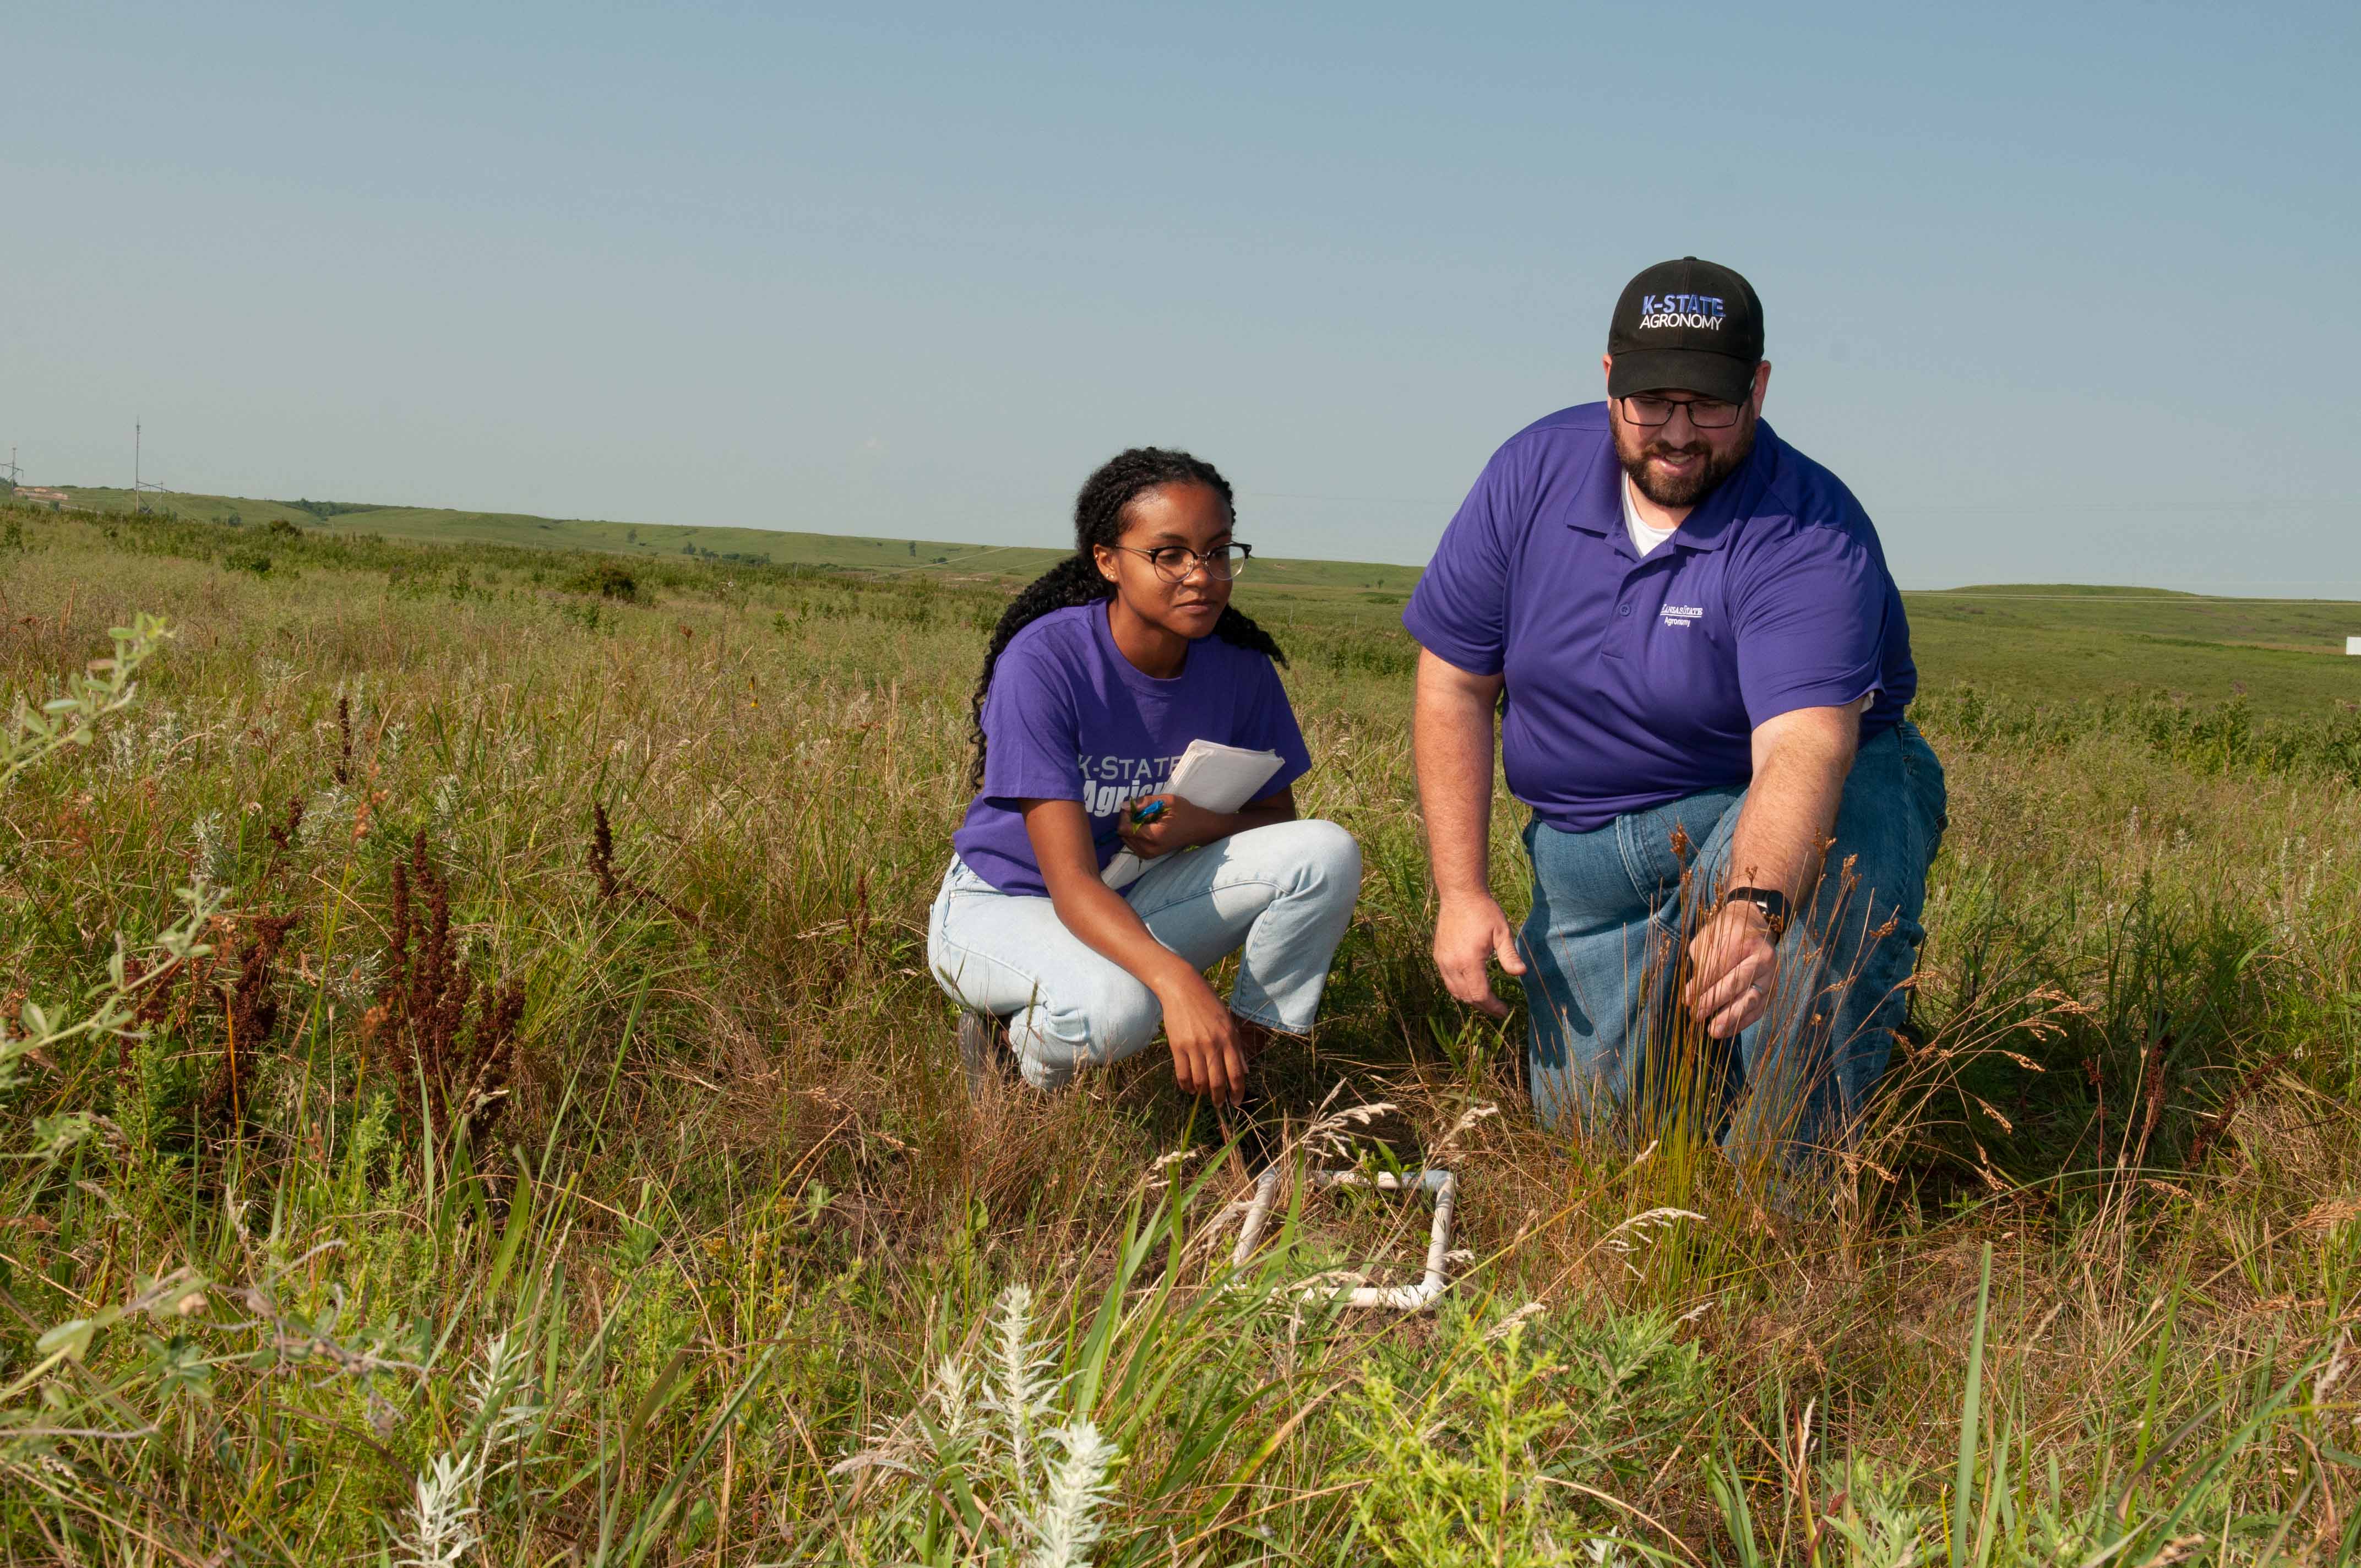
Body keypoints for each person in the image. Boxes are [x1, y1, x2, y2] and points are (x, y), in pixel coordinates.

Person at [1402, 257, 1946, 1186]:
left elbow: (1805, 742)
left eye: (1711, 405)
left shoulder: (1810, 529)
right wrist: (1460, 890)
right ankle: (1686, 1064)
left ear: (1759, 389)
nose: (1679, 434)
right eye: (1652, 401)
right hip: (1585, 855)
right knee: (1594, 1152)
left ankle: (1780, 1213)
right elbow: (1453, 683)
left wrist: (1750, 906)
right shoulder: (1530, 472)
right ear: (1607, 379)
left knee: (1822, 907)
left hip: (1758, 804)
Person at [928, 447, 1362, 1104]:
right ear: (1108, 560)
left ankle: (1238, 1071)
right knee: (1121, 1010)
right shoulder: (1047, 661)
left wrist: (1198, 824)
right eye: (1170, 555)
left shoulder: (1239, 669)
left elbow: (1281, 826)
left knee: (1327, 851)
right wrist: (1179, 983)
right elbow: (1069, 884)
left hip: (1134, 890)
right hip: (1007, 903)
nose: (1202, 575)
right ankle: (1015, 1060)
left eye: (1218, 552)